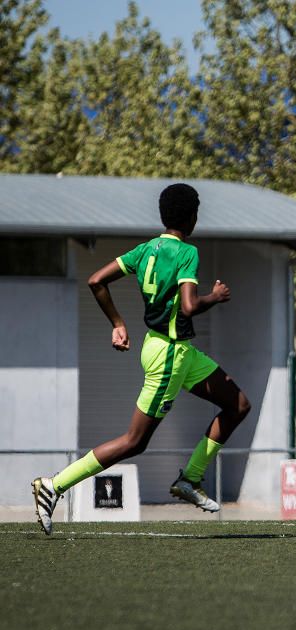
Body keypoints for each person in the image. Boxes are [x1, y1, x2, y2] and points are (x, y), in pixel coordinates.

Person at [31, 183, 251, 535]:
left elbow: (96, 280)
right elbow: (191, 306)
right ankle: (54, 485)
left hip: (176, 350)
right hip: (168, 356)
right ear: (192, 217)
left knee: (237, 404)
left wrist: (118, 323)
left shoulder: (146, 250)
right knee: (135, 441)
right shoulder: (186, 253)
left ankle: (190, 479)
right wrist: (215, 296)